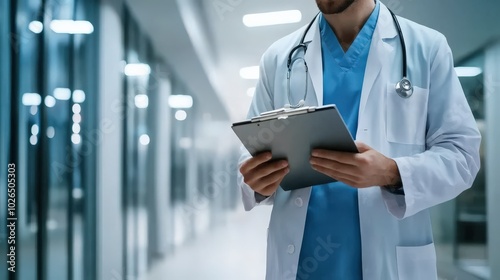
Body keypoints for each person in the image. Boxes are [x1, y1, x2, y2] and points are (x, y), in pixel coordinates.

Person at [237, 0, 481, 279]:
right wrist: (256, 182)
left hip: (390, 263)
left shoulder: (428, 48)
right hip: (301, 264)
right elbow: (248, 157)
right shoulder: (279, 58)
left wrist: (392, 172)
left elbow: (463, 155)